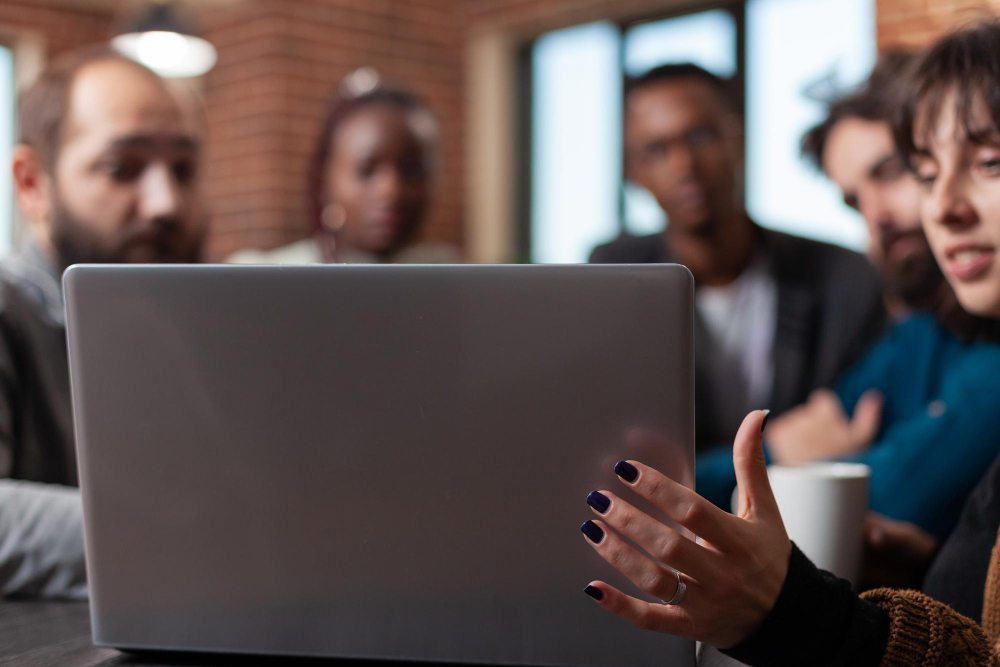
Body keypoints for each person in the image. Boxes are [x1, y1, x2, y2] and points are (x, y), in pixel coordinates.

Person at [579, 21, 1000, 665]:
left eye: (894, 172)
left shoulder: (852, 286)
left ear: (737, 140)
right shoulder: (919, 335)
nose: (891, 216)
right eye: (926, 172)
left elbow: (862, 495)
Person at [696, 55, 1000, 545]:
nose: (875, 216)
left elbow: (884, 497)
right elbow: (817, 432)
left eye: (893, 172)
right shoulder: (917, 333)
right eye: (855, 200)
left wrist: (794, 459)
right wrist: (781, 450)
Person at [589, 64, 885, 451]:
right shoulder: (611, 280)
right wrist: (772, 452)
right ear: (634, 173)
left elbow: (855, 428)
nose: (684, 165)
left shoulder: (843, 277)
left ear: (738, 141)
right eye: (657, 150)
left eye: (700, 137)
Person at [1, 48, 206, 598]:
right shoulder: (8, 309)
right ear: (32, 183)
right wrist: (188, 535)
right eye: (122, 169)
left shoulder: (178, 333)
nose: (166, 203)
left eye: (184, 170)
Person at [230, 73, 458, 265]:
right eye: (366, 171)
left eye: (411, 171)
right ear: (325, 181)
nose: (391, 190)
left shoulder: (453, 277)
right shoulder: (264, 277)